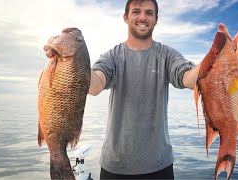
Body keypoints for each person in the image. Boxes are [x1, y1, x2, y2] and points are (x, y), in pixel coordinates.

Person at [46, 0, 200, 179]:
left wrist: (216, 58)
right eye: (136, 11)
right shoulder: (112, 56)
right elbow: (95, 86)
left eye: (149, 13)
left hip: (159, 166)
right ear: (125, 17)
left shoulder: (168, 55)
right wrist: (68, 60)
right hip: (115, 168)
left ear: (156, 19)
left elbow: (189, 79)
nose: (143, 17)